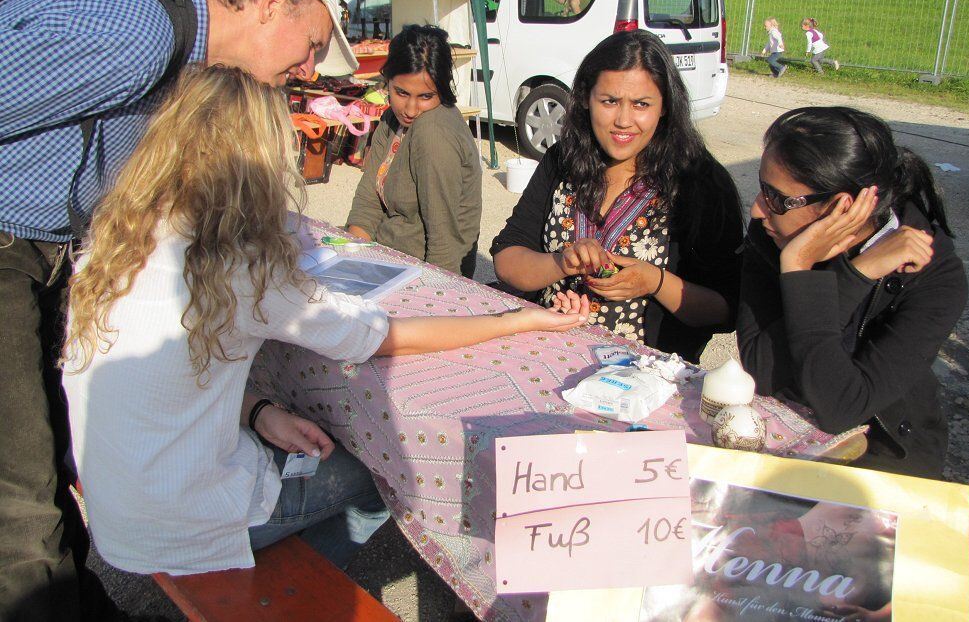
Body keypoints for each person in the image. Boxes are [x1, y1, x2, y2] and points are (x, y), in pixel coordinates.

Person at [60, 65, 590, 576]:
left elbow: (165, 389)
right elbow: (382, 337)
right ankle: (281, 589)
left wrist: (260, 409)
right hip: (186, 524)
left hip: (117, 510)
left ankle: (283, 574)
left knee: (322, 437)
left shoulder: (116, 235)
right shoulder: (243, 267)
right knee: (387, 465)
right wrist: (510, 321)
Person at [0, 0, 356, 620]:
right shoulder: (141, 34)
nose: (308, 70)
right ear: (272, 2)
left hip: (35, 248)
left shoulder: (173, 51)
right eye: (310, 45)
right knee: (18, 502)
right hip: (8, 246)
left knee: (45, 465)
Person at [737, 106, 967, 478]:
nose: (759, 210)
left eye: (777, 198)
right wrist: (847, 272)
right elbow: (763, 370)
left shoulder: (934, 272)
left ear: (844, 206)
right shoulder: (770, 237)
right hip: (781, 439)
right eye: (762, 189)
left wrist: (808, 274)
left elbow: (842, 404)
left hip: (884, 459)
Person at [491, 30, 745, 362]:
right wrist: (561, 262)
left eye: (641, 104)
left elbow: (724, 309)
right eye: (609, 101)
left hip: (647, 382)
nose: (623, 121)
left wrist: (654, 282)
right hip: (545, 356)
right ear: (585, 98)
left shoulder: (699, 183)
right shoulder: (562, 161)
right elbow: (507, 259)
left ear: (665, 106)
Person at [347, 25, 482, 278]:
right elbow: (368, 202)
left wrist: (433, 301)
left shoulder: (434, 132)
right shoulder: (391, 119)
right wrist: (353, 260)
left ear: (442, 89)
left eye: (425, 96)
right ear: (387, 80)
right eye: (401, 93)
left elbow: (445, 242)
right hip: (385, 260)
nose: (410, 108)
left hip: (419, 274)